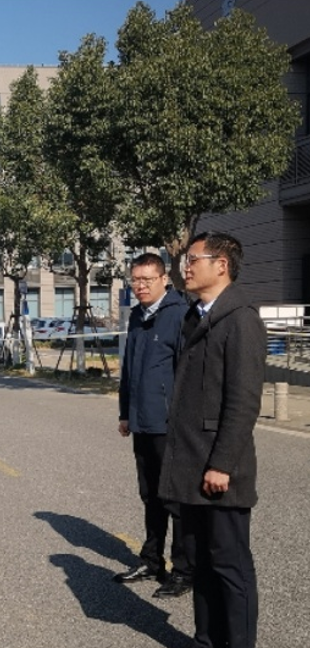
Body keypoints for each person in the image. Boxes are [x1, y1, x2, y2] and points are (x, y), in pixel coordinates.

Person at [160, 232, 265, 648]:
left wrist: (222, 464)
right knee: (201, 564)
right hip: (191, 464)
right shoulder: (196, 315)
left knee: (229, 566)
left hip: (220, 470)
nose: (185, 267)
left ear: (221, 265)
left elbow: (243, 402)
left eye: (193, 259)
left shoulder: (241, 320)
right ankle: (206, 642)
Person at [115, 253, 194, 598]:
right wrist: (125, 412)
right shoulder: (137, 316)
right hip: (142, 421)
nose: (140, 285)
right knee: (150, 496)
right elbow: (129, 370)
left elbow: (188, 374)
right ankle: (151, 560)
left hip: (169, 425)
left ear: (164, 280)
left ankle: (184, 570)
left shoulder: (180, 315)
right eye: (135, 279)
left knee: (174, 498)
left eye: (147, 279)